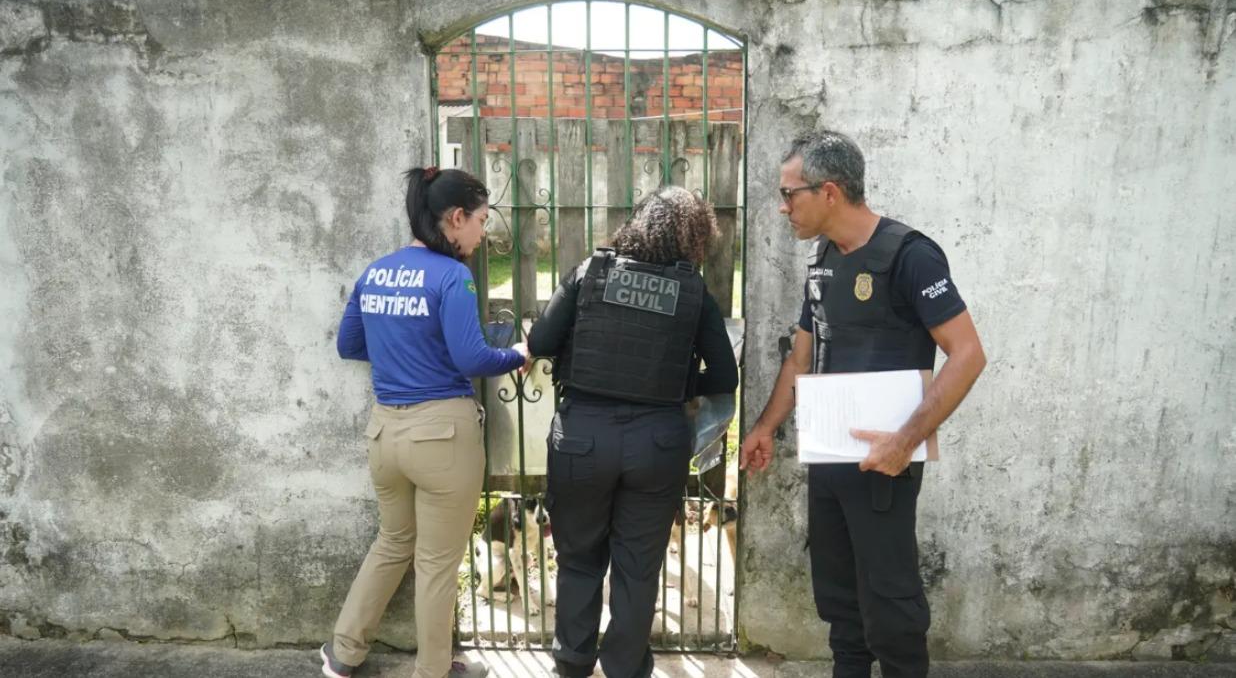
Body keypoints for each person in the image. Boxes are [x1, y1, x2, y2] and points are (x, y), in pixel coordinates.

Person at [740, 132, 986, 678]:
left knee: (891, 610)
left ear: (829, 192)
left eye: (790, 194)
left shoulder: (911, 256)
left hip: (884, 466)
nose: (783, 208)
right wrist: (765, 428)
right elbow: (802, 357)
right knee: (842, 611)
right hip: (829, 461)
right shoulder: (822, 257)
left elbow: (967, 355)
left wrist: (905, 441)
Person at [320, 166, 531, 678]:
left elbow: (350, 345)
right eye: (481, 220)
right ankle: (434, 671)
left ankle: (343, 654)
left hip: (384, 434)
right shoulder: (451, 276)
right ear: (455, 219)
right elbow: (473, 358)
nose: (484, 233)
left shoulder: (377, 271)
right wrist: (520, 354)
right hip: (442, 437)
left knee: (392, 542)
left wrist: (403, 347)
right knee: (437, 563)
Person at [528, 186, 739, 678]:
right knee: (638, 566)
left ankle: (573, 664)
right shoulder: (693, 292)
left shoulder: (589, 273)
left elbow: (539, 341)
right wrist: (678, 384)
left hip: (583, 438)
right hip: (658, 442)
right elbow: (725, 377)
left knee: (579, 558)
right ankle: (624, 667)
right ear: (694, 238)